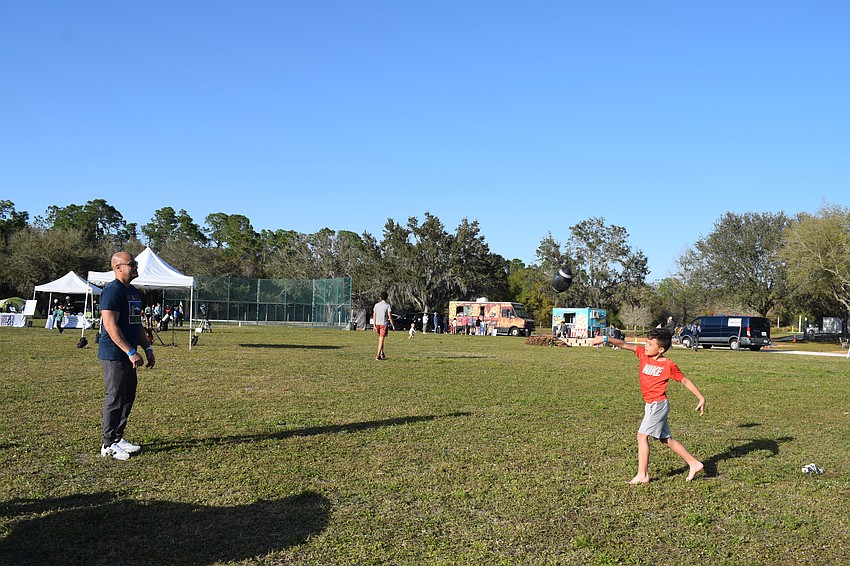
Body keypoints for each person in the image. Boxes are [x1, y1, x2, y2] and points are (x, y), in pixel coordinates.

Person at [587, 328, 705, 484]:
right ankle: (694, 463)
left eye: (650, 344)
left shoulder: (668, 365)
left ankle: (642, 475)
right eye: (646, 342)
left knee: (642, 436)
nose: (646, 346)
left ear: (661, 349)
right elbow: (623, 344)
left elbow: (684, 380)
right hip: (650, 405)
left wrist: (701, 398)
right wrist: (605, 339)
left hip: (658, 405)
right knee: (665, 439)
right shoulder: (643, 354)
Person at [98, 251, 156, 460]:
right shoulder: (112, 292)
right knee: (115, 397)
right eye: (131, 264)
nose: (136, 266)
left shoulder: (133, 292)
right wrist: (130, 351)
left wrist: (147, 348)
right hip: (115, 354)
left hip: (130, 353)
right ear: (118, 267)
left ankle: (118, 437)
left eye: (135, 263)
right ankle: (108, 444)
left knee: (128, 396)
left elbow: (136, 324)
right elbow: (110, 326)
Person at [373, 292, 395, 360]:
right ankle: (378, 355)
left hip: (377, 324)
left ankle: (382, 354)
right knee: (381, 339)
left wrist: (374, 325)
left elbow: (374, 315)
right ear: (387, 297)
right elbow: (390, 316)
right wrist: (392, 325)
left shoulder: (376, 305)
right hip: (383, 324)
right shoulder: (387, 305)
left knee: (381, 339)